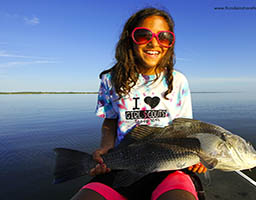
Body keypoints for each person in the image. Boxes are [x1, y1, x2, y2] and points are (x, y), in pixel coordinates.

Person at [71, 7, 207, 200]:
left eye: (164, 37)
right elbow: (110, 122)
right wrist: (105, 148)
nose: (154, 42)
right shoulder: (110, 80)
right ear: (129, 40)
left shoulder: (179, 81)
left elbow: (185, 129)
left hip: (168, 167)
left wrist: (197, 157)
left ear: (170, 44)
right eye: (143, 35)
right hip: (122, 163)